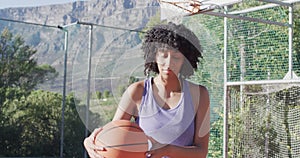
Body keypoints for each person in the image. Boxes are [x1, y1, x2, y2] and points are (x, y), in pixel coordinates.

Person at [84, 22, 210, 158]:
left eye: (176, 57)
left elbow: (201, 151)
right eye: (163, 54)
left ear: (185, 60)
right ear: (154, 55)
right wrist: (90, 141)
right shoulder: (137, 92)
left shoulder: (199, 95)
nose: (168, 63)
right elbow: (114, 134)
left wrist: (168, 150)